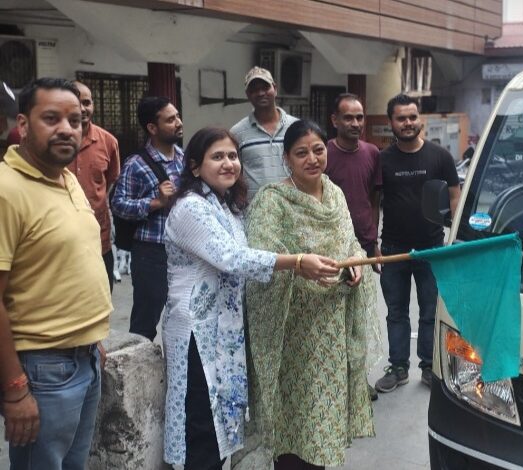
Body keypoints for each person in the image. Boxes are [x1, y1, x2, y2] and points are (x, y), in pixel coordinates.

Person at [162, 127, 339, 470]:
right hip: (196, 333)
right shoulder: (190, 208)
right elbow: (232, 258)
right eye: (217, 157)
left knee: (221, 426)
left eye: (232, 156)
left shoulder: (226, 207)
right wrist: (296, 261)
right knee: (202, 426)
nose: (228, 163)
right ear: (195, 167)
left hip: (225, 332)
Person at [244, 120, 379, 470]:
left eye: (318, 150)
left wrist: (356, 263)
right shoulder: (272, 200)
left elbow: (349, 241)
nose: (312, 159)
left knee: (324, 409)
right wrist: (299, 265)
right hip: (291, 329)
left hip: (331, 327)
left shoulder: (334, 193)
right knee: (295, 411)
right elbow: (261, 256)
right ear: (286, 158)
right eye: (301, 152)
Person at [0, 78, 111, 470]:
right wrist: (15, 389)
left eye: (75, 121)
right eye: (51, 118)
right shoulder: (6, 190)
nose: (67, 129)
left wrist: (90, 338)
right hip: (42, 370)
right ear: (23, 124)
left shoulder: (66, 177)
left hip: (85, 358)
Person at [375, 94, 460, 393]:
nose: (408, 123)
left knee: (429, 311)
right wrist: (372, 242)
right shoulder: (382, 160)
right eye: (401, 118)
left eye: (412, 117)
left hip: (432, 248)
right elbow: (374, 201)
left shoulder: (440, 156)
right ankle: (398, 367)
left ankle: (427, 366)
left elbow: (454, 195)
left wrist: (453, 236)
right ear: (391, 123)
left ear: (420, 119)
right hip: (393, 249)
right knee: (396, 312)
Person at [111, 96, 184, 341]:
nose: (178, 123)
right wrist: (156, 203)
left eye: (177, 116)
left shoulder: (183, 158)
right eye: (170, 119)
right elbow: (118, 204)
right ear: (152, 128)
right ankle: (138, 360)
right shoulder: (136, 164)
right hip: (151, 252)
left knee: (183, 314)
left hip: (182, 249)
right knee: (146, 319)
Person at [66, 80, 121, 291]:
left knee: (102, 295)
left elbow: (110, 181)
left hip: (99, 238)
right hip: (62, 238)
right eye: (76, 103)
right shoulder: (54, 142)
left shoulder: (108, 142)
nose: (82, 109)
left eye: (87, 102)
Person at [325, 93, 382, 262]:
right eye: (348, 118)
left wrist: (374, 241)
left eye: (359, 118)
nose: (356, 124)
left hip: (365, 243)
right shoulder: (322, 154)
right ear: (335, 120)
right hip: (333, 242)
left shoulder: (372, 153)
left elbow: (374, 201)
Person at [230, 66, 298, 201]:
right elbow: (235, 175)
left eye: (265, 87)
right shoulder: (237, 132)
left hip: (292, 205)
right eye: (254, 90)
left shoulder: (296, 127)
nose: (260, 93)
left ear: (275, 89)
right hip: (255, 208)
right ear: (247, 94)